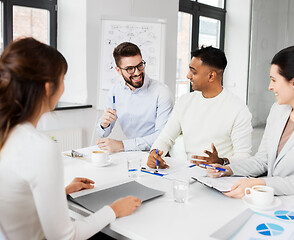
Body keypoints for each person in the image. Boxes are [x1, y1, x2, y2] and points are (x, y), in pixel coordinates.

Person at [0, 38, 142, 239]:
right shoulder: (39, 148)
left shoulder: (8, 134)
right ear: (48, 88)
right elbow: (65, 237)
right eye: (63, 79)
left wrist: (63, 191)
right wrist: (114, 209)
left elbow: (18, 199)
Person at [207, 45, 294, 198]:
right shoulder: (278, 110)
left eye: (274, 80)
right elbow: (262, 160)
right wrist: (228, 170)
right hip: (272, 199)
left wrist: (259, 184)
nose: (270, 87)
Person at [147, 46, 252, 168]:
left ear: (211, 76)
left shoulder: (238, 109)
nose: (188, 76)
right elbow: (166, 138)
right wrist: (154, 153)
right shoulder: (184, 102)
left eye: (194, 72)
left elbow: (244, 156)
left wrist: (221, 161)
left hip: (223, 177)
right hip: (191, 174)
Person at [96, 42, 173, 152]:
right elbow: (103, 133)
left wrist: (122, 145)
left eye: (140, 65)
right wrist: (104, 124)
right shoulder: (115, 92)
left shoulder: (162, 93)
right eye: (130, 69)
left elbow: (162, 136)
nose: (137, 72)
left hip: (158, 155)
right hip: (131, 154)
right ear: (118, 70)